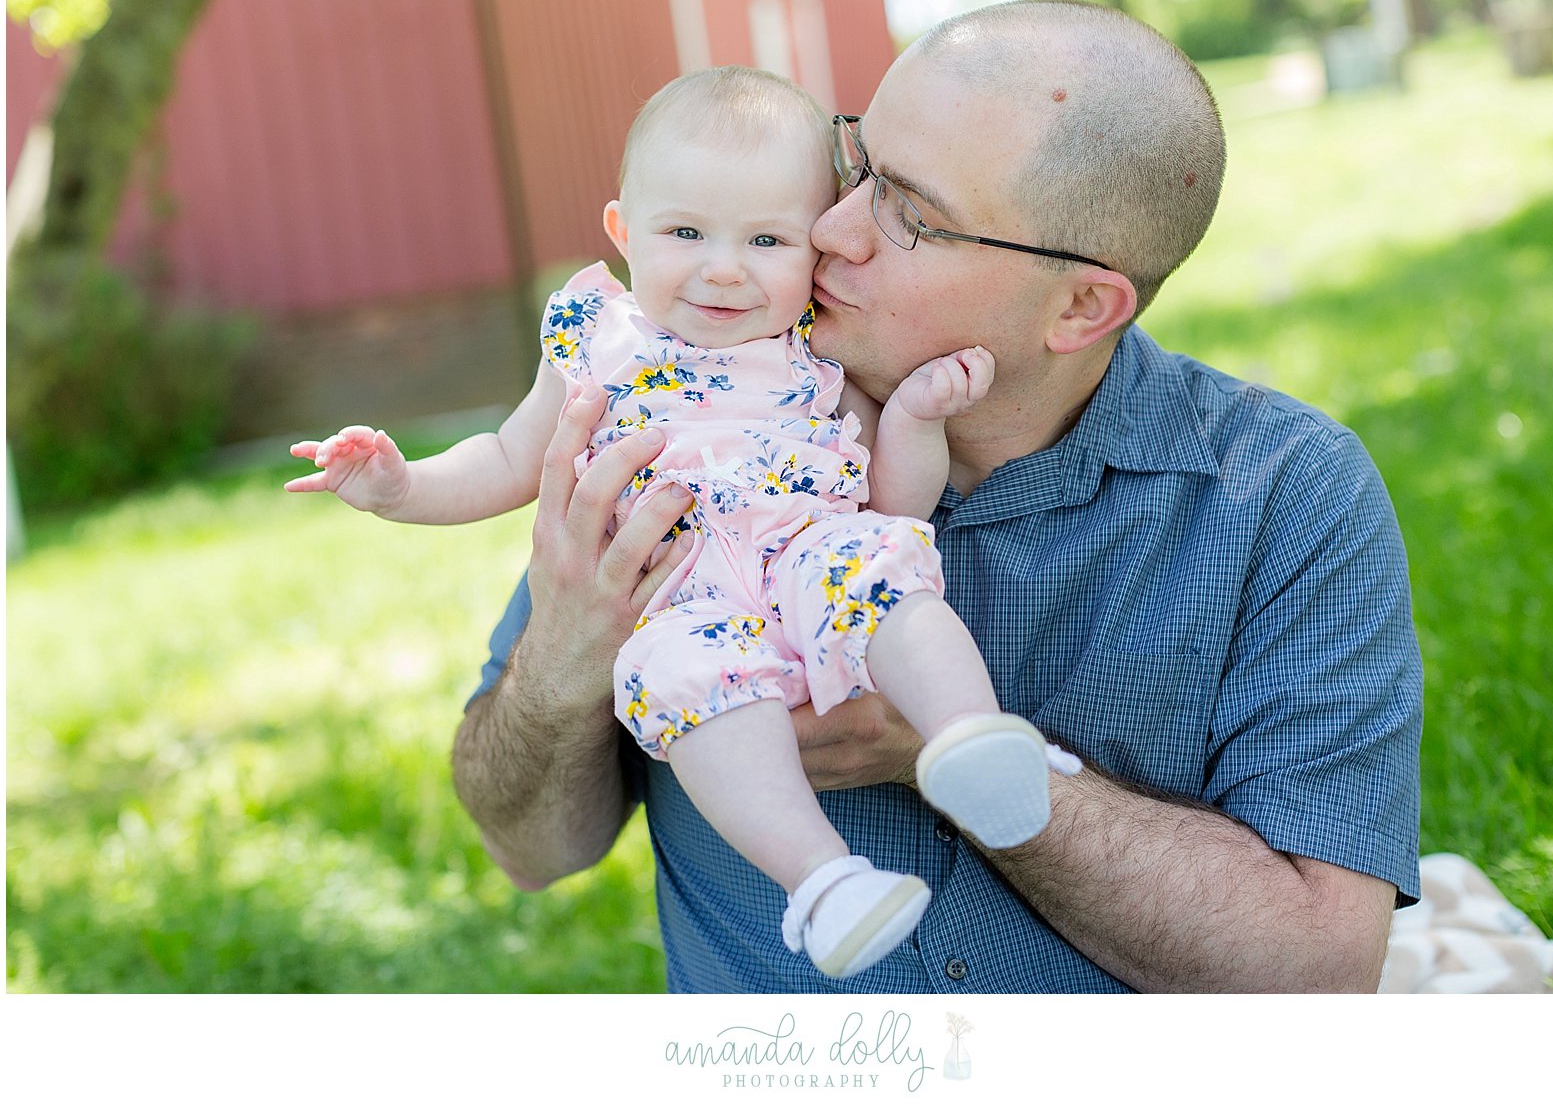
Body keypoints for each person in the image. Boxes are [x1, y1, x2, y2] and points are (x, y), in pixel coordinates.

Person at [454, 0, 1423, 993]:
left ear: (1081, 305)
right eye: (856, 162)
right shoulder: (690, 410)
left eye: (907, 212)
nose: (828, 227)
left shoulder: (1282, 494)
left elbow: (1317, 975)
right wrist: (558, 663)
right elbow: (529, 849)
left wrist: (936, 753)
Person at [286, 65, 1077, 979]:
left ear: (814, 251)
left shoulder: (815, 347)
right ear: (623, 231)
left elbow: (893, 504)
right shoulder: (595, 336)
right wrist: (399, 486)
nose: (724, 266)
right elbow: (507, 460)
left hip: (807, 550)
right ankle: (825, 882)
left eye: (767, 239)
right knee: (687, 687)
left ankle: (971, 740)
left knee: (888, 585)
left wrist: (914, 417)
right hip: (679, 592)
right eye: (686, 231)